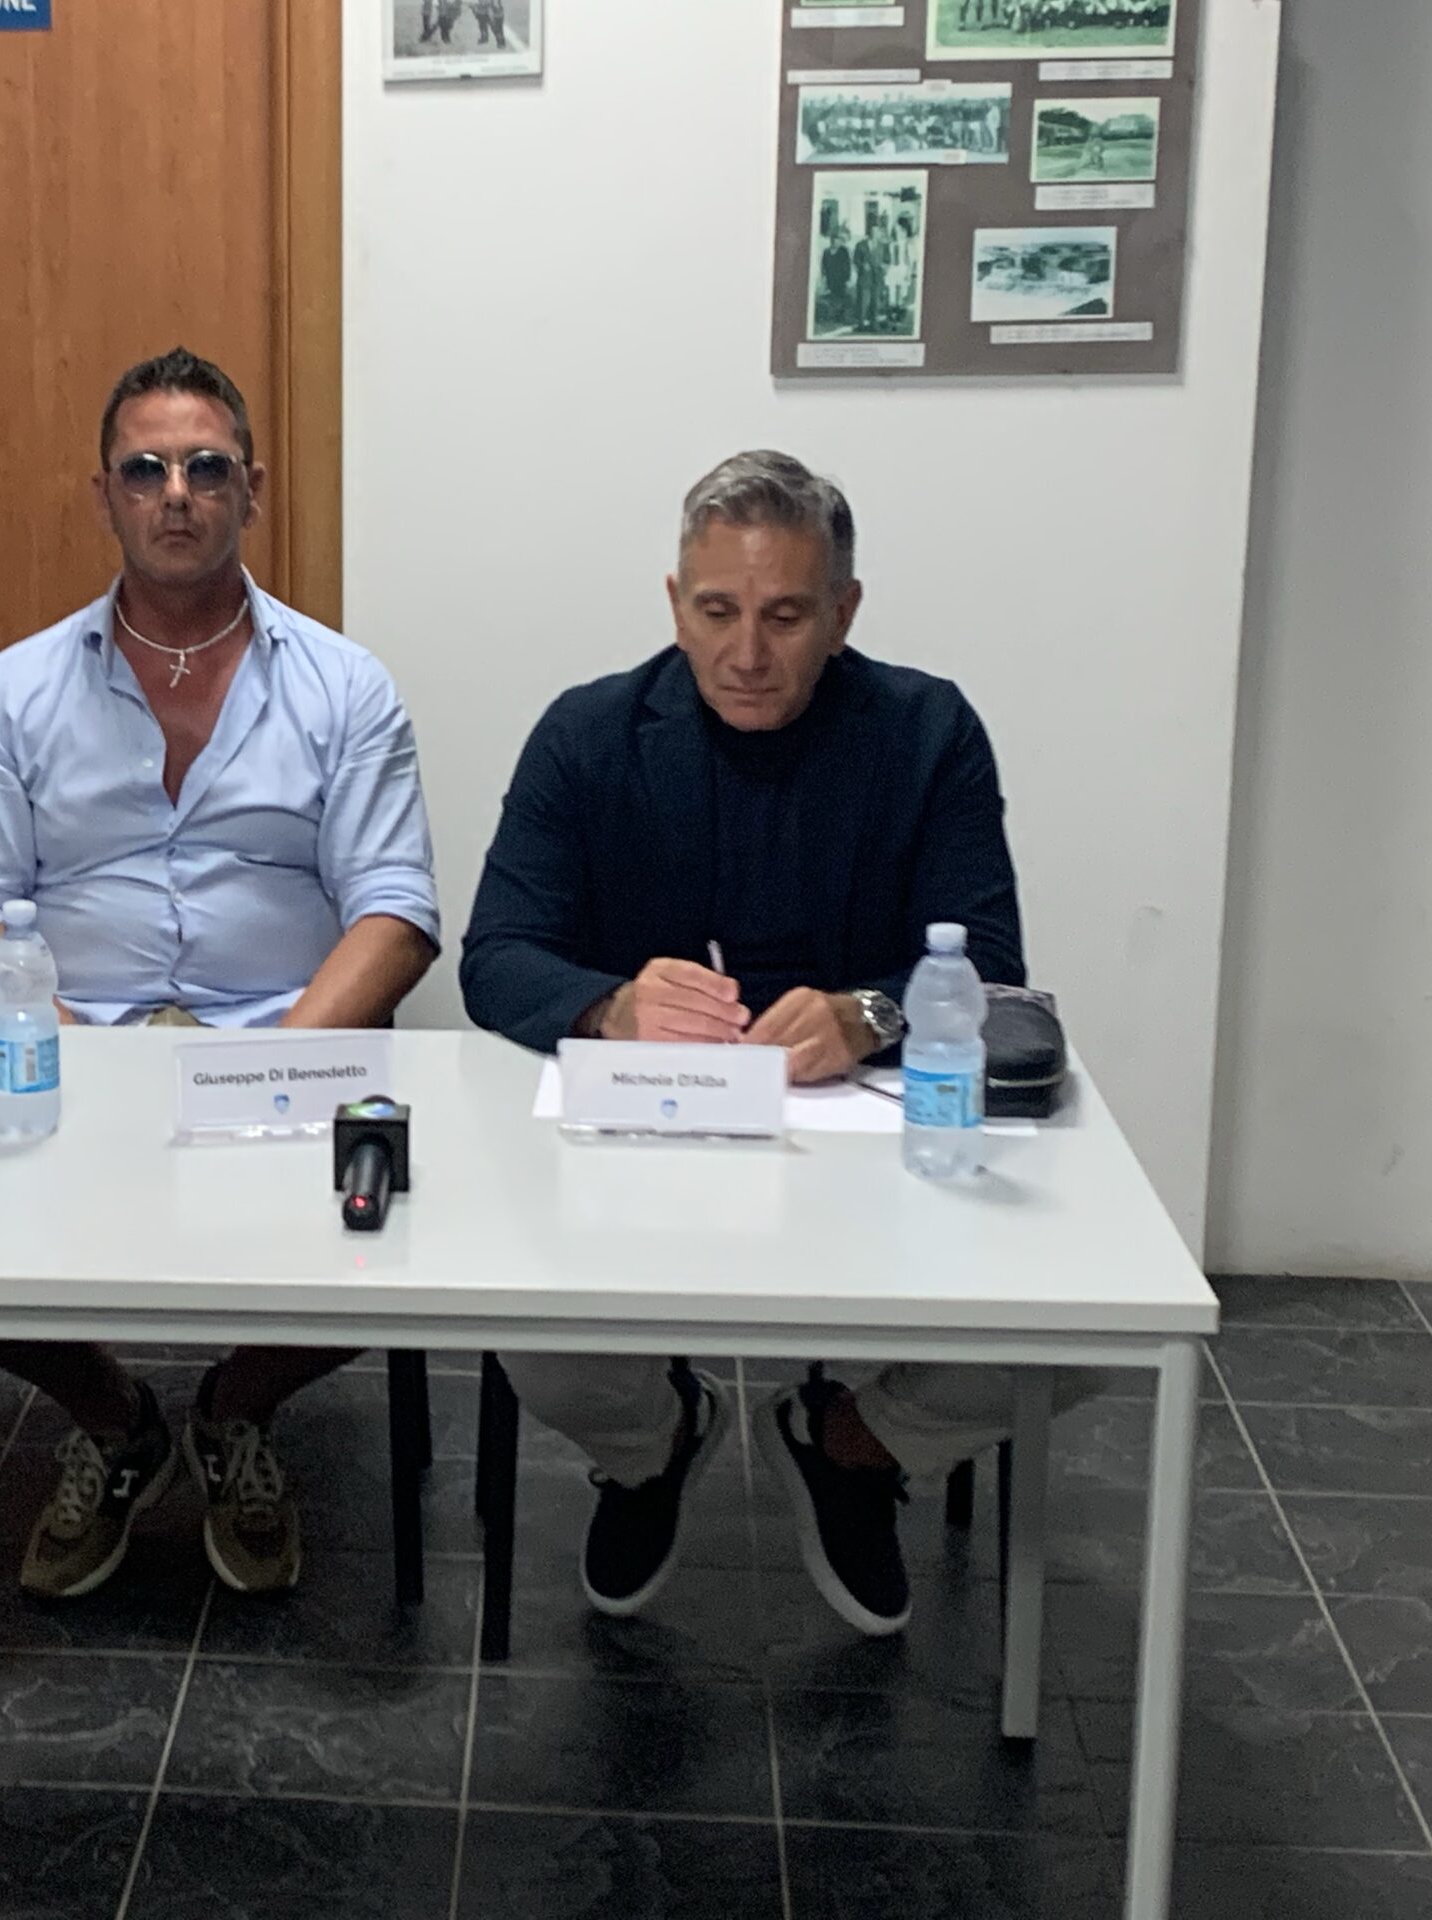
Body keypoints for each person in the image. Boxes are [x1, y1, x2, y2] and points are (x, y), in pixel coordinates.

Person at [459, 449, 1094, 1640]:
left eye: (785, 616)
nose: (746, 651)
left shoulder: (925, 731)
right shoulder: (589, 734)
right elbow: (494, 955)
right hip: (640, 1154)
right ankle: (652, 1447)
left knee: (1092, 1327)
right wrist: (609, 1007)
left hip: (867, 1154)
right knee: (516, 1322)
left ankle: (851, 1444)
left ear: (843, 613)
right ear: (673, 603)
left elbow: (990, 961)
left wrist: (872, 1015)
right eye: (717, 611)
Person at [0, 348, 440, 1602]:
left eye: (206, 468)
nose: (175, 493)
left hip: (287, 1035)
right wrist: (65, 1046)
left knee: (395, 1219)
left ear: (251, 489)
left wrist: (271, 1065)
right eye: (144, 469)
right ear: (102, 494)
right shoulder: (14, 691)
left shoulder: (344, 686)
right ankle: (116, 1426)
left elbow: (395, 912)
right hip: (75, 1039)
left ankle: (235, 1407)